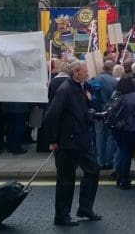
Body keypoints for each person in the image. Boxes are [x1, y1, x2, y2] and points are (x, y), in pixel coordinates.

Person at [45, 60, 102, 226]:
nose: (87, 73)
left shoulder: (82, 87)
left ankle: (85, 209)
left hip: (82, 140)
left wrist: (90, 112)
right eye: (84, 71)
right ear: (75, 72)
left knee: (93, 170)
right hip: (67, 143)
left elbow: (80, 112)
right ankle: (61, 216)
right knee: (66, 180)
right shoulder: (64, 90)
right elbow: (50, 116)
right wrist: (53, 140)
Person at [107, 76, 135, 190]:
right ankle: (124, 180)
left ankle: (119, 176)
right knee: (126, 154)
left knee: (121, 151)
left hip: (116, 128)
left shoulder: (115, 94)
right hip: (130, 129)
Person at [93, 60, 118, 169]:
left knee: (99, 135)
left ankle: (100, 161)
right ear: (112, 69)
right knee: (110, 136)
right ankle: (109, 161)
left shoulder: (94, 79)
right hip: (110, 111)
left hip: (98, 111)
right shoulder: (114, 81)